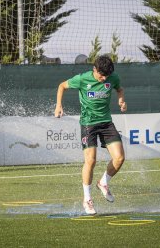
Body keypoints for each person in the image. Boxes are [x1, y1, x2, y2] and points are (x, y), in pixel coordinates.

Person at [55, 56, 127, 215]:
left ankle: (103, 183)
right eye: (101, 76)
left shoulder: (112, 77)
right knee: (91, 160)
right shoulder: (82, 79)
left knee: (120, 158)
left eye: (106, 76)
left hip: (107, 122)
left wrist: (121, 100)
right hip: (88, 123)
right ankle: (87, 199)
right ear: (94, 69)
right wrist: (59, 105)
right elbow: (62, 86)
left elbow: (119, 89)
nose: (104, 79)